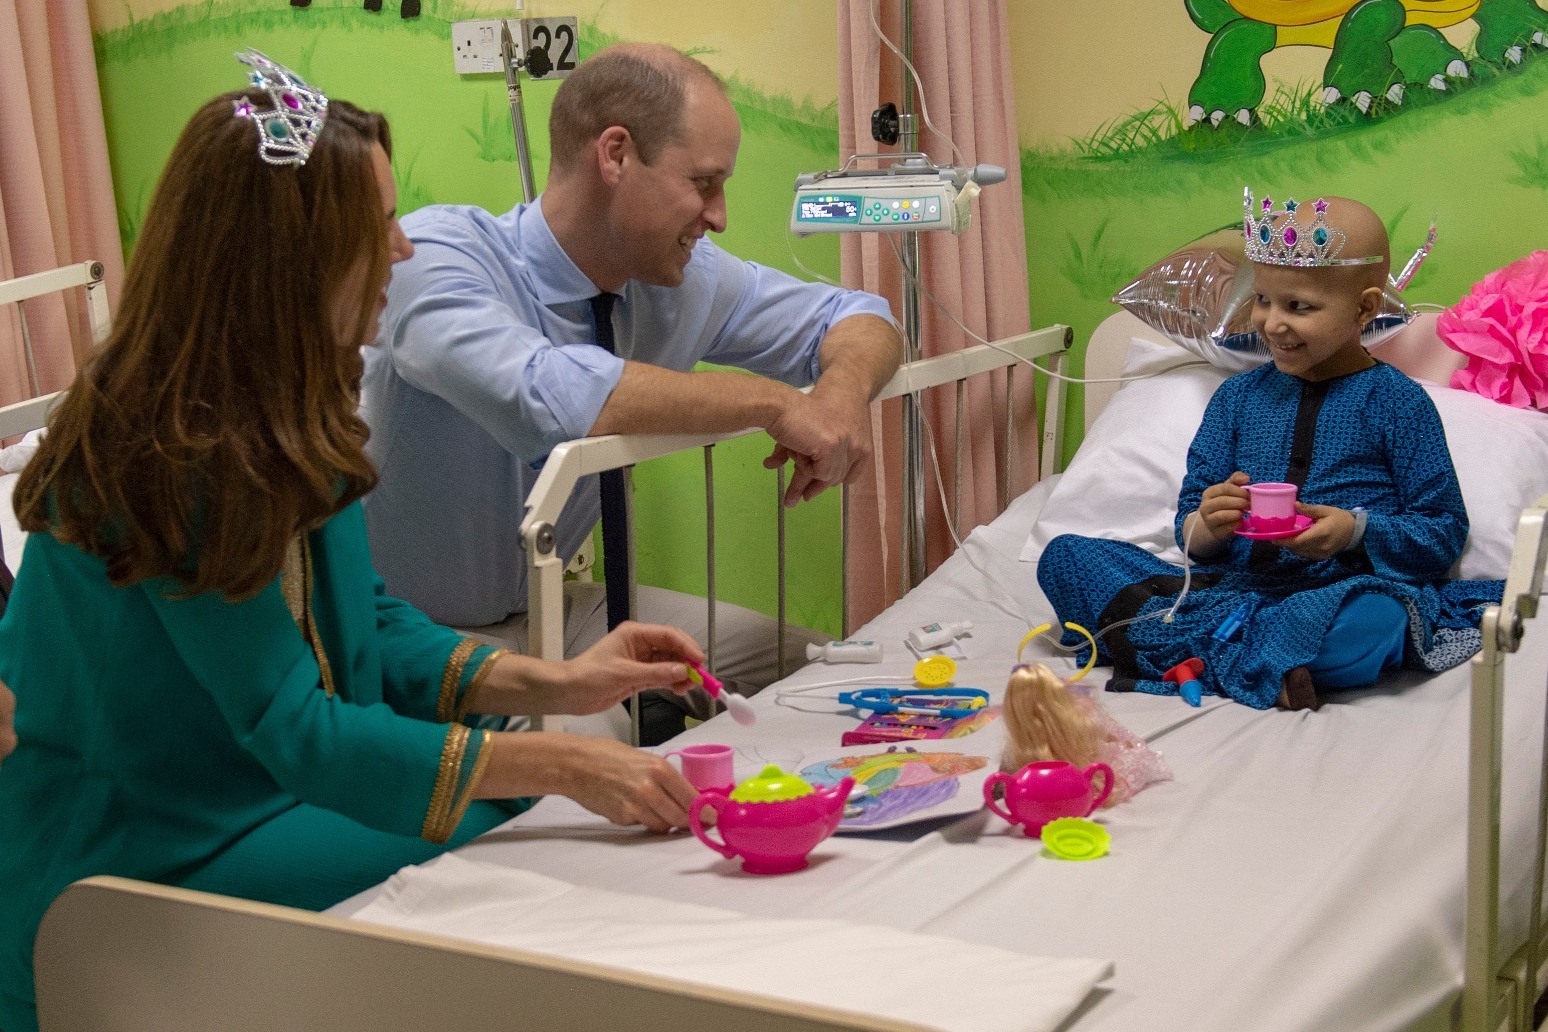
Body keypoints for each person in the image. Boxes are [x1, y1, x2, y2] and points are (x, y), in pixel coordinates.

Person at [0, 52, 711, 1032]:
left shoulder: (285, 408)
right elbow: (296, 728)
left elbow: (364, 618)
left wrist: (562, 686)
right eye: (375, 225)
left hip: (249, 802)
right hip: (138, 856)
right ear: (289, 253)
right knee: (520, 833)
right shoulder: (165, 446)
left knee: (520, 820)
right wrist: (563, 763)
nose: (403, 250)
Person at [360, 42, 901, 743]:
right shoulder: (438, 260)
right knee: (604, 743)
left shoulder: (679, 281)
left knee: (820, 674)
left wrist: (840, 395)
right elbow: (548, 395)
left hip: (563, 607)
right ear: (614, 155)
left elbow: (861, 317)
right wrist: (772, 404)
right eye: (704, 183)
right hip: (412, 629)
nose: (720, 215)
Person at [1038, 190, 1503, 711]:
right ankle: (1262, 658)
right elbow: (1189, 527)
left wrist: (1352, 533)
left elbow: (1441, 530)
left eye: (1298, 306)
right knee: (1066, 558)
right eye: (1262, 300)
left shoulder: (1398, 402)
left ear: (1365, 307)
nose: (1271, 323)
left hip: (1339, 591)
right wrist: (1208, 526)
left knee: (1378, 617)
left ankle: (1191, 652)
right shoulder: (1236, 399)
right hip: (1230, 589)